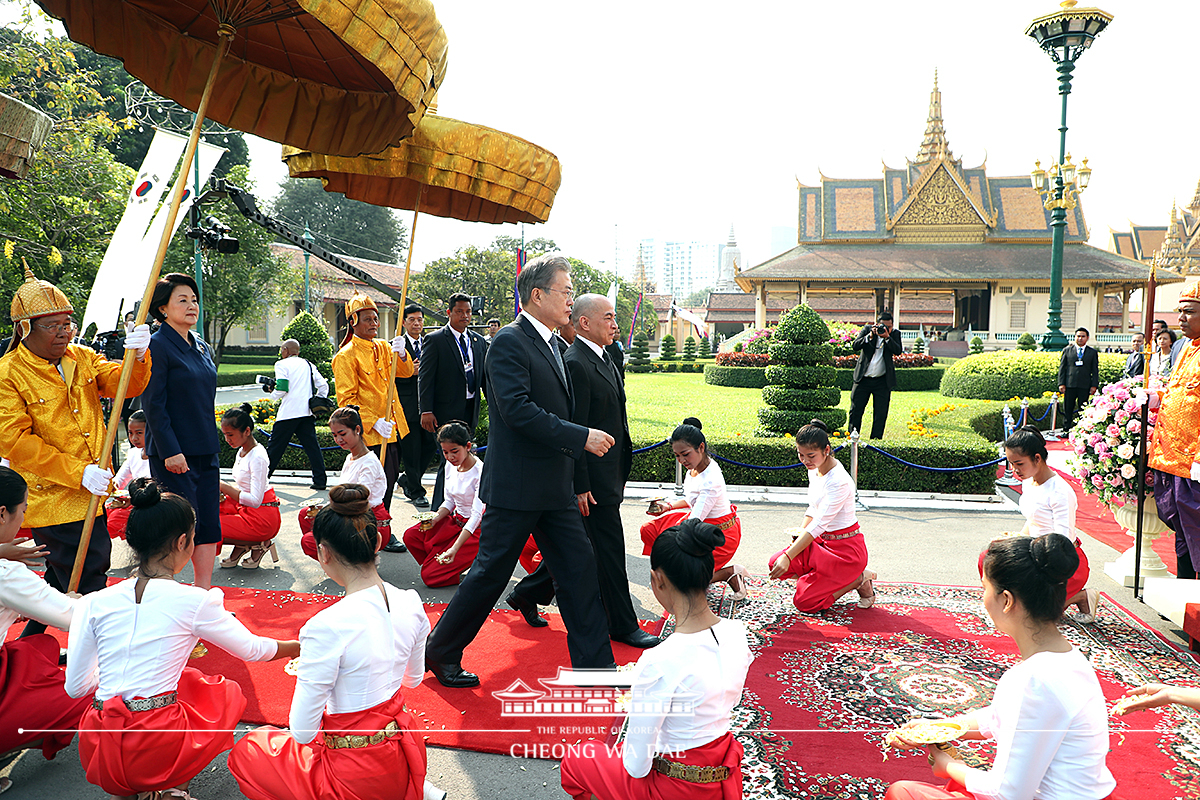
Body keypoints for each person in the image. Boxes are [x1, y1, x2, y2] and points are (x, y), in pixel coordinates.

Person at [423, 253, 616, 688]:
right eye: (565, 292)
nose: (570, 300)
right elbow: (516, 411)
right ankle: (440, 650)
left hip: (554, 488)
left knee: (580, 569)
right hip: (518, 486)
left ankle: (596, 667)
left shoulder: (553, 343)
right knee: (490, 574)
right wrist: (580, 435)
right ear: (537, 295)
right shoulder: (510, 341)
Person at [65, 478, 299, 799]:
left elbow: (75, 687)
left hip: (100, 745)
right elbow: (253, 649)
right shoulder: (193, 601)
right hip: (154, 741)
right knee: (223, 694)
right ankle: (175, 787)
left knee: (186, 680)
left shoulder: (94, 601)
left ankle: (131, 789)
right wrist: (298, 646)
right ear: (182, 543)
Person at [228, 483, 437, 800]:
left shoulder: (325, 626)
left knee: (250, 749)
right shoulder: (411, 602)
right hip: (400, 755)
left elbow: (302, 731)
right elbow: (413, 678)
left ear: (323, 553)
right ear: (378, 541)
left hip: (353, 771)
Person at [884, 534, 1116, 800]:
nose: (983, 598)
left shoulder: (1031, 679)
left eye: (985, 588)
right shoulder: (1070, 657)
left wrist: (950, 767)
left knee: (902, 792)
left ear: (1006, 600)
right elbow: (1004, 717)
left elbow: (1008, 792)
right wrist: (942, 726)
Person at [559, 518, 752, 800]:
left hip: (677, 789)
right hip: (722, 777)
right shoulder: (737, 633)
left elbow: (636, 767)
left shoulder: (661, 659)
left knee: (578, 758)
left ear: (657, 579)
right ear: (708, 572)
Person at [0, 266, 151, 627]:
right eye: (53, 325)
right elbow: (15, 440)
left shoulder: (80, 357)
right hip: (52, 497)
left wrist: (140, 355)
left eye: (67, 323)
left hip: (93, 491)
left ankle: (34, 648)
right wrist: (77, 472)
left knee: (61, 581)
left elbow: (122, 384)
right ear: (25, 328)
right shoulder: (8, 373)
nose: (64, 332)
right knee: (90, 575)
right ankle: (102, 648)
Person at [507, 294, 658, 649]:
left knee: (586, 549)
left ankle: (528, 593)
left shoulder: (605, 356)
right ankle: (622, 625)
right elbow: (576, 428)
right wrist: (581, 483)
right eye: (607, 317)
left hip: (610, 471)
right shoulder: (575, 363)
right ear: (585, 323)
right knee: (607, 552)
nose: (614, 324)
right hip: (592, 480)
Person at [0, 465, 92, 789]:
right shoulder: (7, 572)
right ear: (2, 514)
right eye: (22, 511)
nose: (23, 520)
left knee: (40, 649)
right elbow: (72, 616)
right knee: (82, 692)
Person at [143, 272, 222, 589]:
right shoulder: (156, 346)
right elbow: (153, 405)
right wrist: (170, 451)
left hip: (205, 449)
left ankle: (202, 595)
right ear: (162, 308)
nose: (192, 306)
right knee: (176, 528)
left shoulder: (200, 346)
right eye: (182, 300)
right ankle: (162, 592)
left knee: (207, 526)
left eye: (194, 300)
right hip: (174, 453)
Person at [767, 419, 875, 611]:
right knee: (775, 563)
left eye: (810, 455)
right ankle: (823, 581)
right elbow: (812, 508)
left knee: (805, 603)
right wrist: (795, 541)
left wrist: (790, 555)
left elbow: (819, 524)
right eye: (801, 455)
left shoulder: (838, 481)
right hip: (820, 543)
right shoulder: (815, 469)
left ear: (826, 450)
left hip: (845, 551)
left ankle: (858, 578)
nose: (805, 461)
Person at [331, 290, 413, 526]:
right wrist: (371, 421)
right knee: (371, 486)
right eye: (367, 319)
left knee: (388, 481)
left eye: (375, 318)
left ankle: (381, 524)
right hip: (370, 434)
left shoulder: (384, 347)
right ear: (353, 322)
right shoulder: (345, 356)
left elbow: (406, 373)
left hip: (393, 428)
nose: (374, 323)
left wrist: (402, 353)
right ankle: (367, 524)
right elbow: (346, 401)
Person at [1001, 426, 1099, 622]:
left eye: (1019, 463)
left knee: (1030, 614)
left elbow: (1063, 542)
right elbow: (1033, 520)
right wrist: (1016, 539)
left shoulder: (1060, 492)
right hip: (1033, 553)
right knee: (991, 561)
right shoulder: (1028, 481)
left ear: (1037, 458)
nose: (1014, 470)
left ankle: (1080, 596)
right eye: (1011, 464)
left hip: (1061, 562)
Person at [640, 418, 746, 598]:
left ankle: (729, 573)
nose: (681, 460)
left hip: (718, 534)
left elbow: (692, 522)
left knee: (682, 578)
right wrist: (668, 507)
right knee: (650, 530)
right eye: (677, 456)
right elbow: (693, 501)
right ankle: (682, 577)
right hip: (699, 522)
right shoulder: (697, 465)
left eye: (685, 454)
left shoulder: (711, 480)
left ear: (701, 447)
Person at [1142, 284, 1200, 579]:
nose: (1181, 317)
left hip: (1194, 461)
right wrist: (1155, 397)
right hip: (1170, 454)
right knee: (1178, 523)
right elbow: (1180, 392)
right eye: (1180, 311)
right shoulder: (1187, 348)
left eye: (1189, 311)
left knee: (1195, 526)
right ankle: (1184, 585)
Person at [418, 292, 488, 511]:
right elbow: (425, 377)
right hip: (445, 411)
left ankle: (462, 507)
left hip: (469, 408)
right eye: (459, 312)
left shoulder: (477, 341)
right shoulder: (436, 339)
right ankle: (438, 510)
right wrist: (426, 410)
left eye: (468, 312)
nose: (465, 316)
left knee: (465, 458)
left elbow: (483, 376)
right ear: (449, 313)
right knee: (447, 461)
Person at [298, 406, 393, 559]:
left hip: (366, 522)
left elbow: (358, 501)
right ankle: (342, 561)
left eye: (342, 434)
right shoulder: (350, 457)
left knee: (310, 541)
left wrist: (330, 512)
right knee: (306, 515)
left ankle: (347, 563)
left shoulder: (369, 462)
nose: (338, 440)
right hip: (348, 515)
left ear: (357, 429)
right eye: (335, 435)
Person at [402, 422, 483, 587]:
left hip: (476, 530)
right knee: (411, 536)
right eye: (445, 452)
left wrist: (454, 548)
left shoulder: (480, 472)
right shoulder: (450, 465)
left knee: (429, 577)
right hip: (455, 522)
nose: (450, 457)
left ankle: (450, 567)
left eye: (455, 451)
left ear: (467, 446)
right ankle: (442, 567)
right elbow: (449, 501)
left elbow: (476, 515)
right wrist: (435, 519)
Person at [218, 403, 282, 570]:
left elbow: (255, 500)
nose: (227, 440)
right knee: (211, 508)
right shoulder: (242, 450)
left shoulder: (258, 457)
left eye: (230, 434)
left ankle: (256, 543)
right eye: (224, 434)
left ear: (247, 431)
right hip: (246, 507)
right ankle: (242, 544)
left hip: (262, 516)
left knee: (213, 523)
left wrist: (223, 487)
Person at [264, 337, 330, 490]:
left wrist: (272, 394)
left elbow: (282, 388)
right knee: (312, 447)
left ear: (286, 350)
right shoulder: (308, 364)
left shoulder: (281, 364)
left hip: (288, 413)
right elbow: (323, 385)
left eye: (282, 349)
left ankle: (262, 480)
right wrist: (318, 401)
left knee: (275, 448)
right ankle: (320, 481)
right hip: (306, 413)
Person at [396, 304, 434, 508]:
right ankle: (416, 491)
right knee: (411, 449)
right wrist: (408, 370)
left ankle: (407, 480)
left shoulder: (429, 343)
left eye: (419, 319)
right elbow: (389, 373)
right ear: (404, 322)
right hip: (406, 404)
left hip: (427, 404)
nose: (417, 323)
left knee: (430, 444)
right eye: (412, 319)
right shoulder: (396, 345)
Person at [848, 312, 902, 439]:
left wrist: (887, 337)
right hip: (862, 379)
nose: (886, 329)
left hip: (882, 381)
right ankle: (852, 438)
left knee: (880, 413)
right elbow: (855, 346)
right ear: (877, 324)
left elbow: (898, 351)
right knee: (855, 410)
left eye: (889, 326)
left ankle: (876, 440)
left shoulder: (894, 334)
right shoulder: (868, 330)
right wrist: (870, 336)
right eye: (884, 326)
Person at [106, 410, 151, 539]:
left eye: (139, 433)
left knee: (114, 521)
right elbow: (120, 479)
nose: (134, 438)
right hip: (134, 502)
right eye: (130, 433)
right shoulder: (133, 454)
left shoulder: (160, 455)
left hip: (152, 504)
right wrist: (112, 486)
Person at [1057, 327, 1099, 428]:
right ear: (1075, 337)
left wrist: (1094, 385)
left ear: (1087, 338)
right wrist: (1061, 383)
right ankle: (1066, 429)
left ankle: (1082, 429)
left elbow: (1095, 370)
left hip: (1084, 385)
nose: (1080, 338)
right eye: (1078, 336)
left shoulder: (1092, 352)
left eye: (1083, 336)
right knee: (1068, 408)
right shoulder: (1067, 351)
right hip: (1069, 385)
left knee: (1083, 409)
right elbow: (1062, 368)